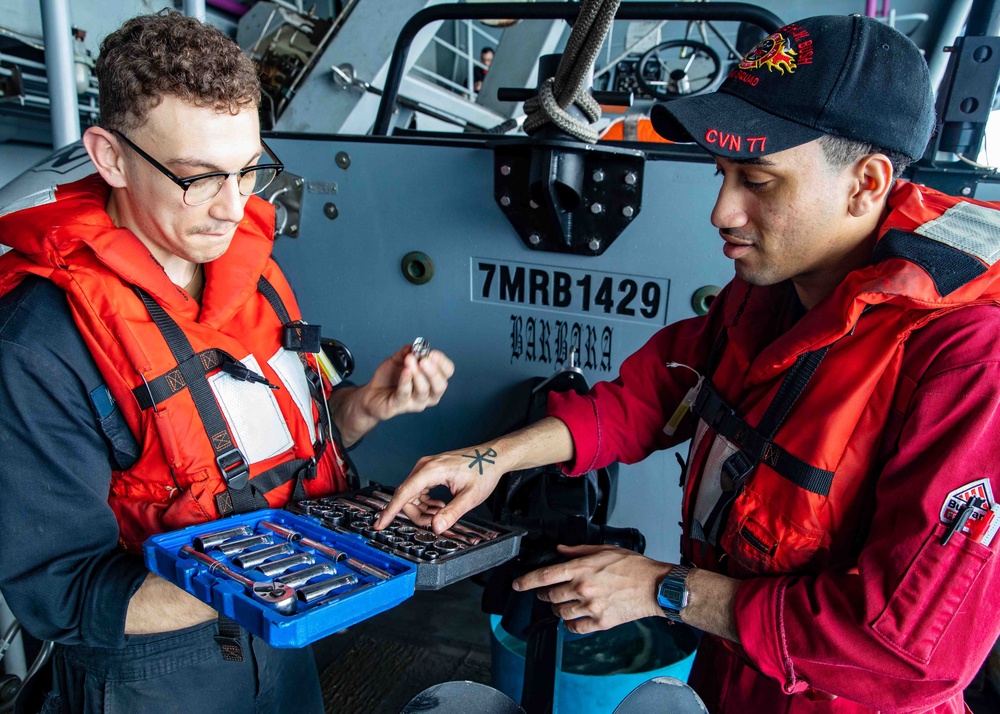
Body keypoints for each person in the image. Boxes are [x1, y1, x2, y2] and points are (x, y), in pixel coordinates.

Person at [378, 14, 1000, 713]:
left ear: (866, 182)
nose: (722, 212)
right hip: (729, 679)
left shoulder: (967, 363)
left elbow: (907, 655)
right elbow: (649, 397)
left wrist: (661, 588)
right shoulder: (772, 293)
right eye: (722, 174)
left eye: (758, 182)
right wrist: (491, 458)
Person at [0, 11, 453, 714]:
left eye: (249, 171)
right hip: (155, 675)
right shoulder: (40, 343)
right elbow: (63, 594)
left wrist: (363, 408)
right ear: (110, 157)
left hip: (284, 642)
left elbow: (260, 445)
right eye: (199, 178)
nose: (233, 207)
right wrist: (284, 569)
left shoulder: (248, 273)